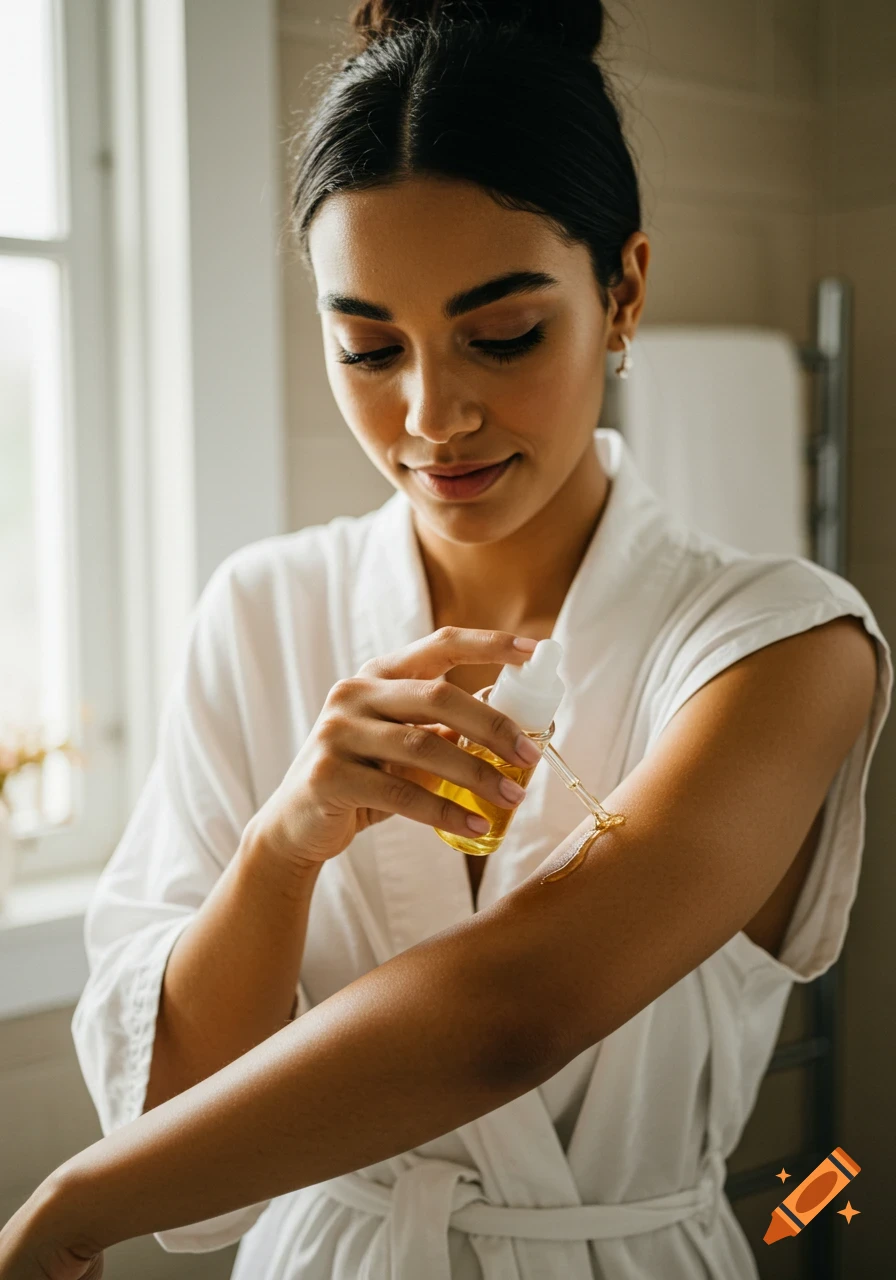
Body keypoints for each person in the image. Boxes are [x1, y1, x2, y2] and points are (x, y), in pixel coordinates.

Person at [0, 2, 890, 1279]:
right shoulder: (260, 610)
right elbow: (171, 1132)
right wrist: (281, 847)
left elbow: (502, 1018)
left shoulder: (781, 645)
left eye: (503, 334)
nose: (430, 415)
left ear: (621, 287)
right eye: (367, 345)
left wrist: (70, 1203)